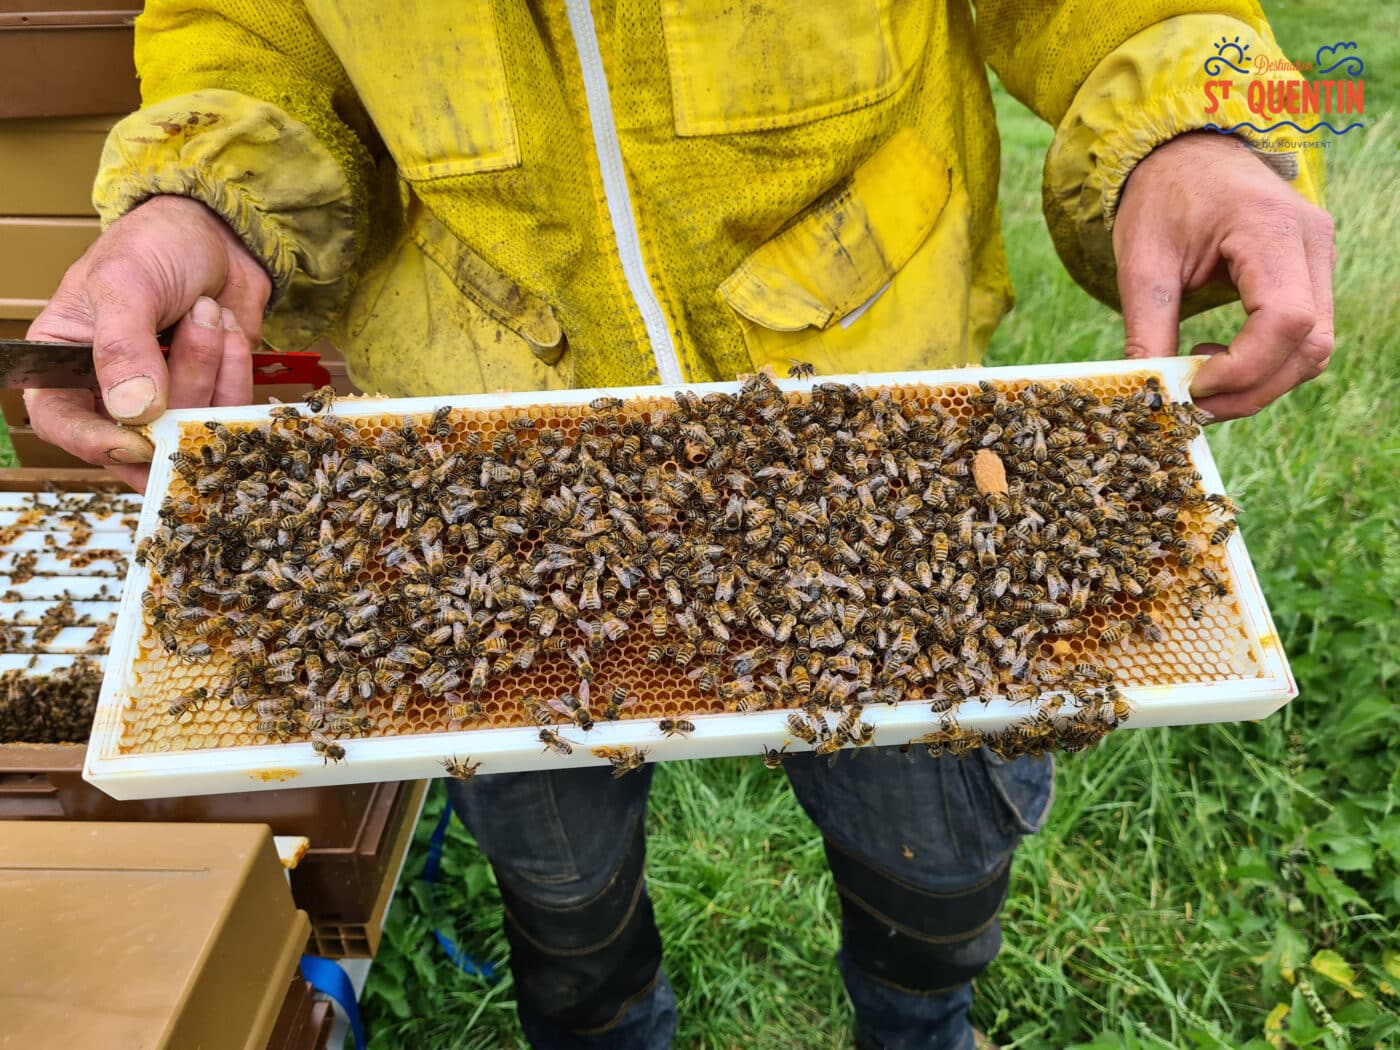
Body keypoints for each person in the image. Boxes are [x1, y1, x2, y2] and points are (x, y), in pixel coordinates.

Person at [27, 3, 1335, 1047]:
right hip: (500, 482)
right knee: (554, 866)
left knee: (936, 846)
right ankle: (601, 1024)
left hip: (871, 442)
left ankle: (924, 1020)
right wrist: (197, 200)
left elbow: (1150, 16)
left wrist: (1208, 132)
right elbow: (252, 40)